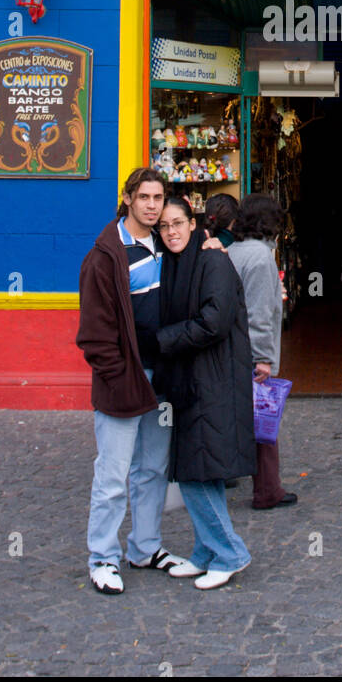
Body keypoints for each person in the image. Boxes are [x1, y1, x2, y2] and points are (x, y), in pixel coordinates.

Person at [76, 167, 183, 595]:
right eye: (144, 198)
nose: (152, 206)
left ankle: (145, 547)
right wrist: (117, 376)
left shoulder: (165, 243)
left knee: (153, 469)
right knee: (113, 475)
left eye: (158, 198)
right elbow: (94, 332)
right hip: (124, 380)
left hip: (162, 379)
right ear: (128, 199)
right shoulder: (105, 256)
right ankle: (103, 557)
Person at [152, 196, 255, 589]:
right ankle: (205, 552)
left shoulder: (213, 261)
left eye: (178, 223)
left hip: (214, 380)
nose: (171, 231)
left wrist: (164, 339)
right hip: (191, 379)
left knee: (196, 472)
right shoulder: (176, 263)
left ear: (193, 224)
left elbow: (214, 321)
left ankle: (230, 553)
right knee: (199, 470)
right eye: (164, 226)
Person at [226, 194, 298, 511]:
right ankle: (268, 489)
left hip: (233, 349)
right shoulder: (260, 257)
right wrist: (263, 358)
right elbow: (259, 314)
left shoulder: (234, 250)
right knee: (264, 421)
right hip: (251, 354)